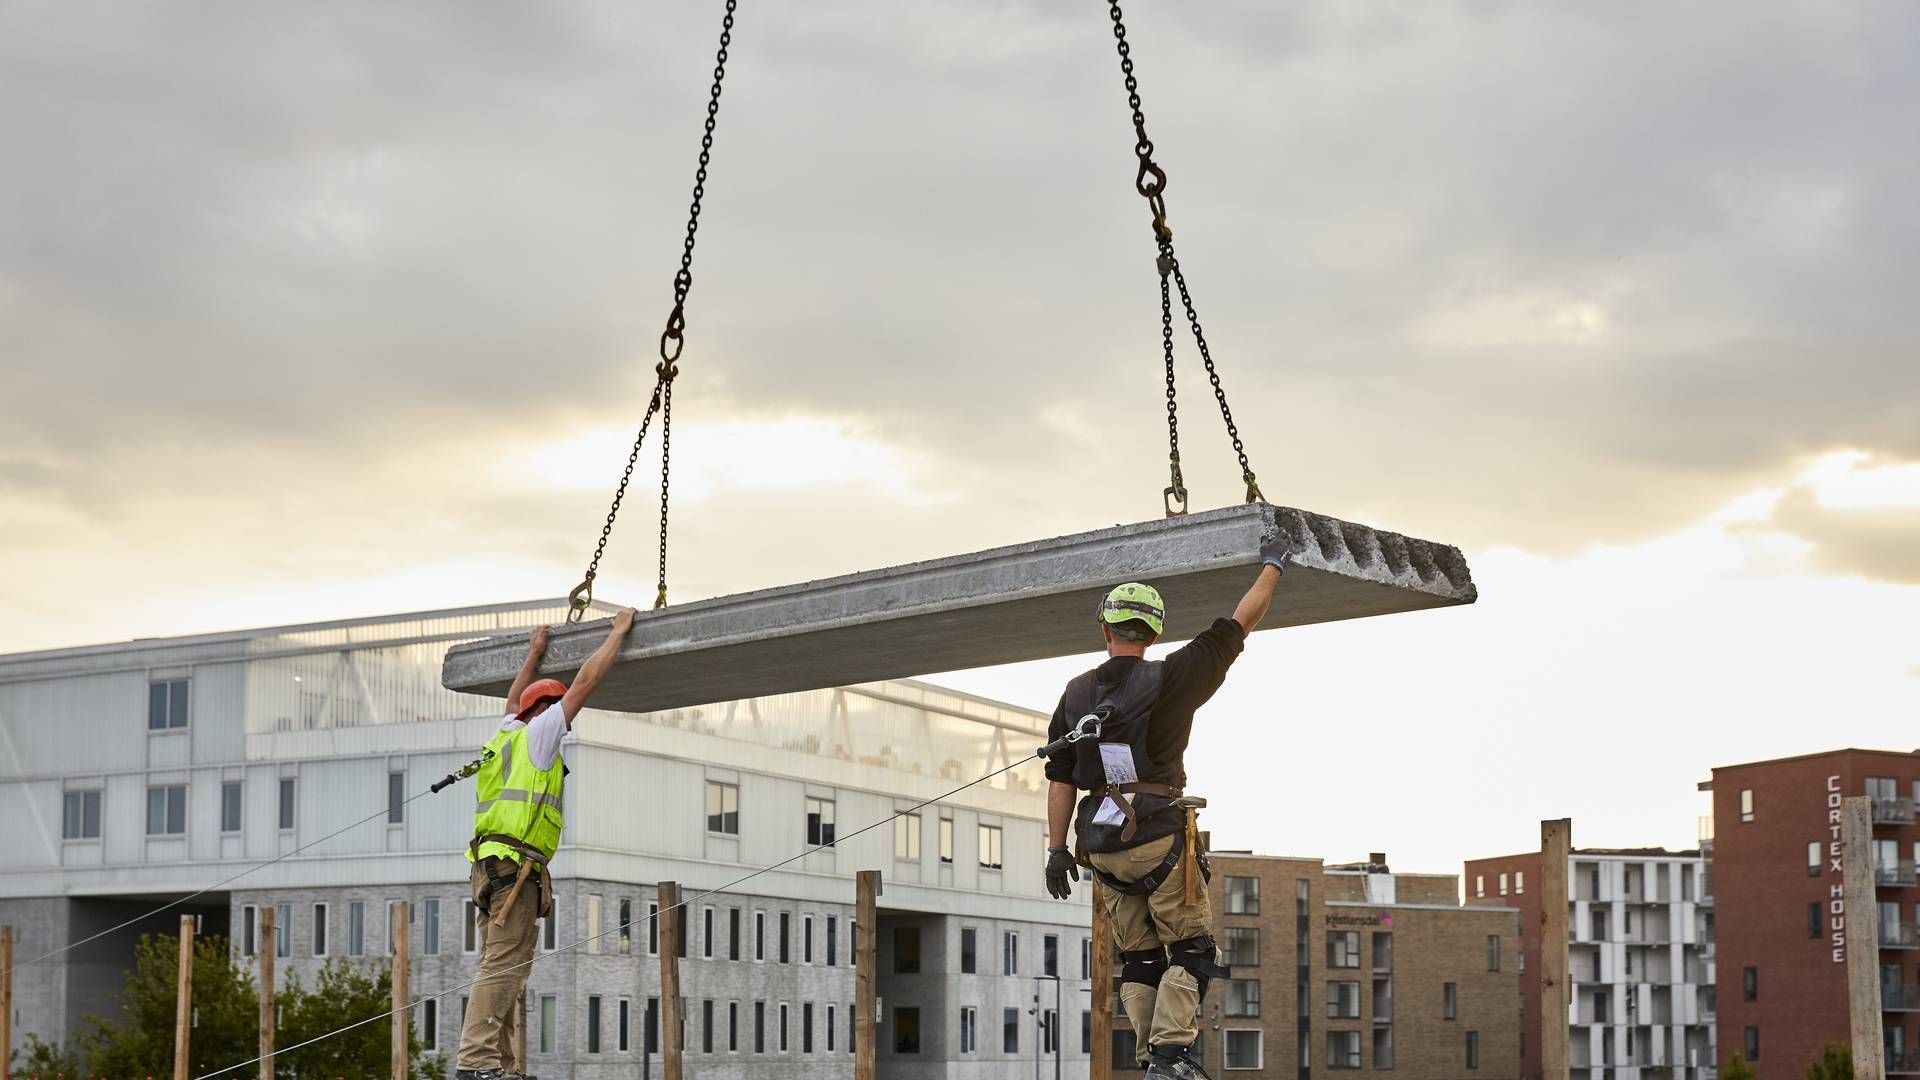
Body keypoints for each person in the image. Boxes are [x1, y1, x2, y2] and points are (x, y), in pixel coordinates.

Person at [1042, 535, 1294, 1079]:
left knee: (1142, 957)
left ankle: (1152, 1058)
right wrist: (1274, 562)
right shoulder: (1175, 676)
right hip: (1155, 837)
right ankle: (1171, 1057)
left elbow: (1060, 777)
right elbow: (1241, 620)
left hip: (1101, 847)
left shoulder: (1075, 693)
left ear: (1106, 630)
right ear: (1153, 632)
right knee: (1193, 950)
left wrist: (1056, 851)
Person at [455, 608, 637, 1080]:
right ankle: (476, 1062)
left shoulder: (506, 734)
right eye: (558, 713)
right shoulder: (541, 733)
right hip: (515, 869)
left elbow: (514, 697)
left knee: (506, 969)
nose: (567, 726)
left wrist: (533, 655)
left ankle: (501, 1066)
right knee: (503, 966)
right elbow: (585, 683)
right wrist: (617, 633)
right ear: (545, 711)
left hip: (491, 866)